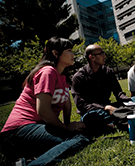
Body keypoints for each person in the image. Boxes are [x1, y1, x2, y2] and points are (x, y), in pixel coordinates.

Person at [0, 37, 91, 166]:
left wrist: (68, 125)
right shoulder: (48, 72)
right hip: (16, 133)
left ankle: (25, 162)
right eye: (69, 50)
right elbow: (43, 111)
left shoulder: (63, 77)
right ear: (55, 53)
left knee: (77, 136)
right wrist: (65, 128)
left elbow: (66, 103)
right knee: (79, 139)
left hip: (33, 131)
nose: (73, 54)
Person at [72, 44, 131, 134]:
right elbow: (81, 105)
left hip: (109, 108)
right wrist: (105, 107)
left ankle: (114, 121)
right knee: (90, 118)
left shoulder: (108, 72)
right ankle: (122, 118)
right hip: (92, 111)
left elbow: (118, 92)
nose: (105, 56)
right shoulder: (79, 77)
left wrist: (129, 101)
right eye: (101, 53)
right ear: (92, 57)